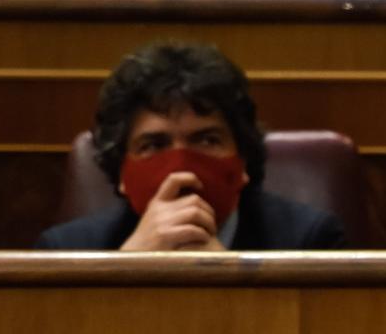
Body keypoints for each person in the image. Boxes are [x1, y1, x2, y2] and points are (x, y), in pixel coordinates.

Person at [36, 41, 346, 250]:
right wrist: (127, 269)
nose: (181, 167)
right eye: (154, 145)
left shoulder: (310, 242)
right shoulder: (67, 250)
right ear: (122, 174)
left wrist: (227, 280)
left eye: (207, 140)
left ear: (243, 160)